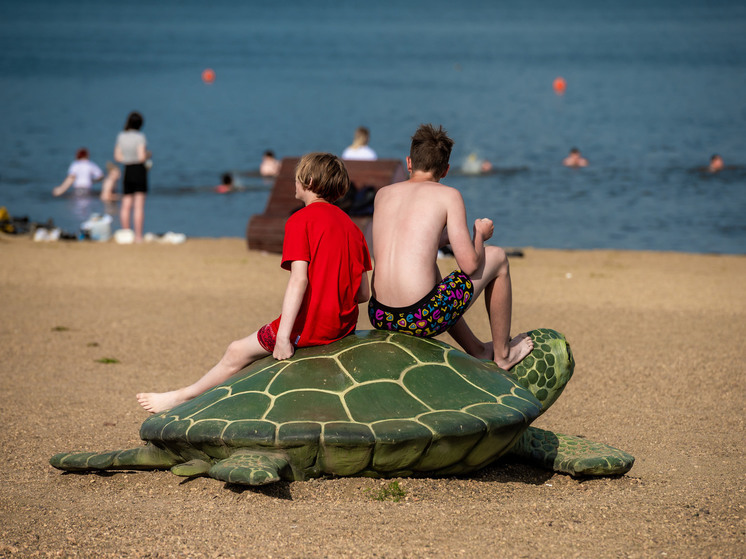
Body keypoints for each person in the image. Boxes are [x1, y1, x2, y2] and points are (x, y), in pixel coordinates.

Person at [137, 152, 372, 413]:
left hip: (309, 327)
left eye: (297, 177)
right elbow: (363, 293)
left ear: (308, 181)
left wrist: (283, 336)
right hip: (342, 327)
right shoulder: (353, 228)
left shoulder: (300, 220)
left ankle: (183, 397)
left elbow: (299, 279)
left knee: (236, 351)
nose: (294, 182)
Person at [367, 124, 533, 370]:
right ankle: (503, 355)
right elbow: (470, 265)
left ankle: (476, 349)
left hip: (380, 315)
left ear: (409, 163)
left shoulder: (383, 194)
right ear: (445, 170)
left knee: (432, 273)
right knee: (497, 257)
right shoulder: (449, 195)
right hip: (420, 317)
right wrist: (479, 235)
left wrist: (440, 239)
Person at [114, 111, 150, 242]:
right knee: (139, 205)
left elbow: (117, 156)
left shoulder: (121, 136)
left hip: (127, 169)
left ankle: (126, 234)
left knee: (126, 204)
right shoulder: (140, 137)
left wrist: (127, 159)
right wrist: (147, 155)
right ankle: (138, 236)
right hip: (139, 170)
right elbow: (141, 157)